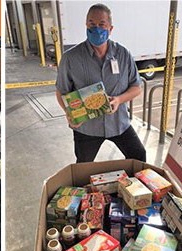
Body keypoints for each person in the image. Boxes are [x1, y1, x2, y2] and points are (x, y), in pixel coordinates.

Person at [55, 3, 145, 163]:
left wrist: (119, 100)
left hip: (119, 123)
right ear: (86, 25)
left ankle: (129, 187)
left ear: (110, 28)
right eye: (92, 24)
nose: (96, 29)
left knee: (139, 156)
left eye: (102, 25)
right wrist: (69, 113)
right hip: (87, 128)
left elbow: (136, 87)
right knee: (82, 168)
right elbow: (61, 91)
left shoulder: (123, 54)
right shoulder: (70, 58)